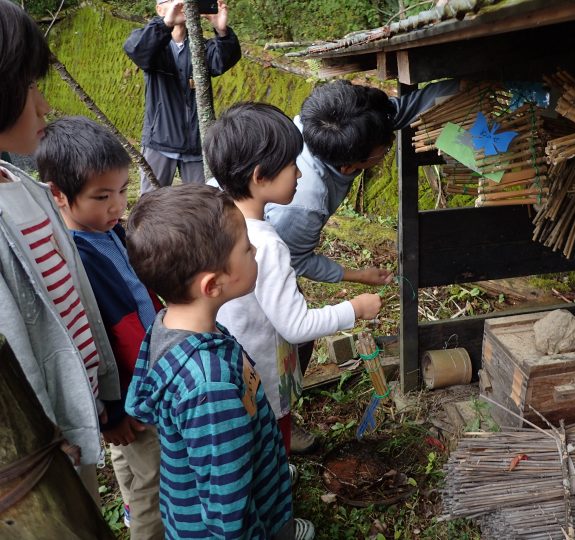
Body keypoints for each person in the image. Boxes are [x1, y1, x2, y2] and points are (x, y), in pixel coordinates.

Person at [124, 184, 308, 540]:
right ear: (212, 285)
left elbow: (141, 397)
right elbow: (228, 512)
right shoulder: (210, 389)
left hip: (234, 488)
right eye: (246, 248)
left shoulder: (169, 323)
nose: (255, 250)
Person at [205, 102, 381, 459]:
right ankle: (278, 505)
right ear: (260, 176)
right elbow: (297, 325)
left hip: (228, 361)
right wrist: (355, 308)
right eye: (292, 167)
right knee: (271, 445)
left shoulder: (211, 214)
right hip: (263, 372)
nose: (300, 175)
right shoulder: (267, 244)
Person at [0, 0, 120, 502]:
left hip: (76, 424)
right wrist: (43, 442)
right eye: (30, 85)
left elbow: (79, 306)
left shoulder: (23, 187)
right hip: (38, 460)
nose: (43, 103)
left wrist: (105, 391)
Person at [36, 116, 165, 539]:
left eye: (123, 191)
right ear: (58, 195)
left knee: (131, 464)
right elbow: (89, 343)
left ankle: (130, 510)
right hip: (129, 393)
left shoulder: (110, 231)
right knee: (155, 482)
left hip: (142, 378)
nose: (117, 206)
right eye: (101, 196)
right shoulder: (72, 261)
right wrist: (110, 411)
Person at [265, 78, 459, 287]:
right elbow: (294, 260)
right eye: (385, 150)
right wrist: (358, 275)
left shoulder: (329, 122)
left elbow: (403, 110)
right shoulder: (301, 205)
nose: (391, 142)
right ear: (348, 167)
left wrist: (468, 85)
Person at [124, 0, 241, 193]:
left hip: (197, 144)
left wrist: (222, 32)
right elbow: (138, 51)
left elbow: (222, 61)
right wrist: (166, 23)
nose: (180, 5)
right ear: (159, 9)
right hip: (159, 141)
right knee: (151, 206)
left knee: (201, 206)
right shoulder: (150, 44)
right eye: (171, 1)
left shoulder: (200, 47)